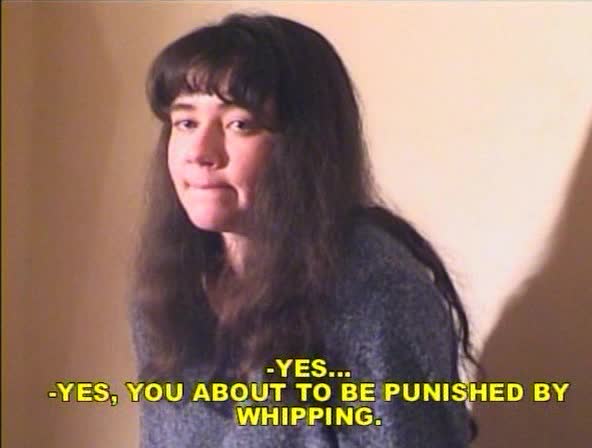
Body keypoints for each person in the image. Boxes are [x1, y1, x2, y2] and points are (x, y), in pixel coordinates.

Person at [130, 13, 477, 447]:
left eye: (239, 124)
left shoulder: (378, 294)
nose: (199, 153)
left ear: (302, 145)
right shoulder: (169, 291)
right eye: (186, 123)